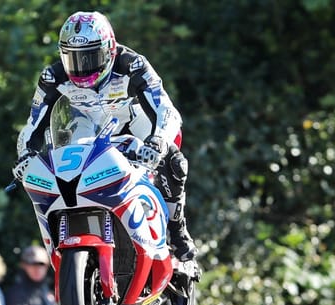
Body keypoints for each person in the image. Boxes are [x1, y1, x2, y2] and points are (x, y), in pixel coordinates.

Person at [13, 10, 198, 262]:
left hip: (136, 127)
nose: (81, 68)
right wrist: (24, 155)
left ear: (110, 49)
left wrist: (157, 142)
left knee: (174, 162)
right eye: (73, 59)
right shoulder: (52, 77)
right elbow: (32, 124)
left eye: (90, 58)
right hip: (90, 132)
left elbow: (165, 109)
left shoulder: (133, 64)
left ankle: (177, 230)